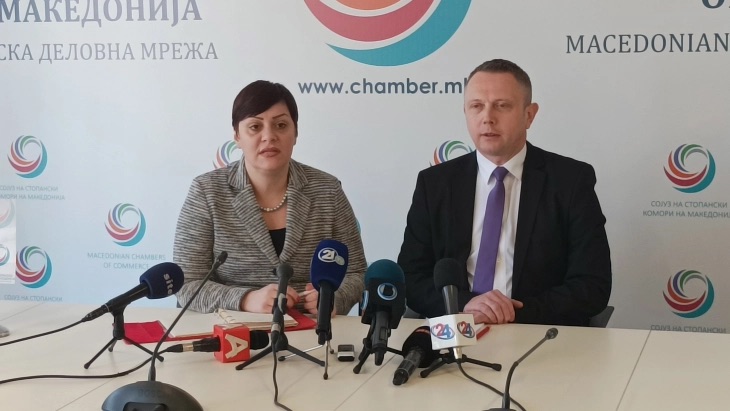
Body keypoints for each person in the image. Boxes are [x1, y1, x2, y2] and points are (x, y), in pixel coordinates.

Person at [398, 59, 611, 326]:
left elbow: (592, 284)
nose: (487, 117)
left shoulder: (570, 181)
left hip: (537, 330)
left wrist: (511, 312)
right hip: (457, 329)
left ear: (529, 115)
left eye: (502, 105)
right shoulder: (435, 184)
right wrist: (464, 305)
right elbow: (411, 276)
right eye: (476, 106)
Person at [174, 80, 366, 315]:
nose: (269, 136)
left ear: (295, 133)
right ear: (237, 136)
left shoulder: (327, 190)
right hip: (232, 327)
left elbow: (356, 273)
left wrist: (333, 298)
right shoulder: (207, 192)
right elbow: (186, 283)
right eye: (255, 127)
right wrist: (244, 299)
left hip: (312, 327)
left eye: (281, 125)